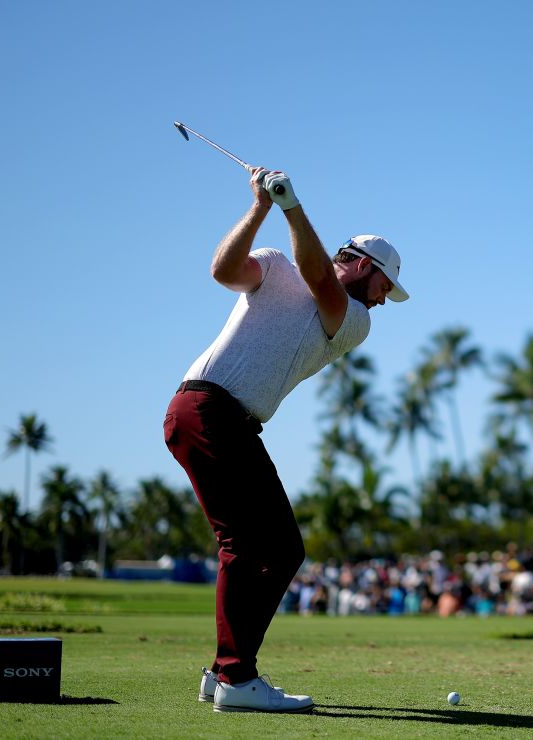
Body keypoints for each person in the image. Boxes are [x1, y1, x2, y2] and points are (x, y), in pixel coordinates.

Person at [164, 168, 408, 713]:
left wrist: (291, 205)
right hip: (207, 409)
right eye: (386, 286)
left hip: (219, 417)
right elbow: (222, 270)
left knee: (271, 549)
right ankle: (234, 676)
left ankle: (224, 672)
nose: (386, 300)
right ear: (367, 268)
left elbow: (321, 278)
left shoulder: (353, 320)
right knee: (256, 548)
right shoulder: (275, 262)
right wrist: (262, 208)